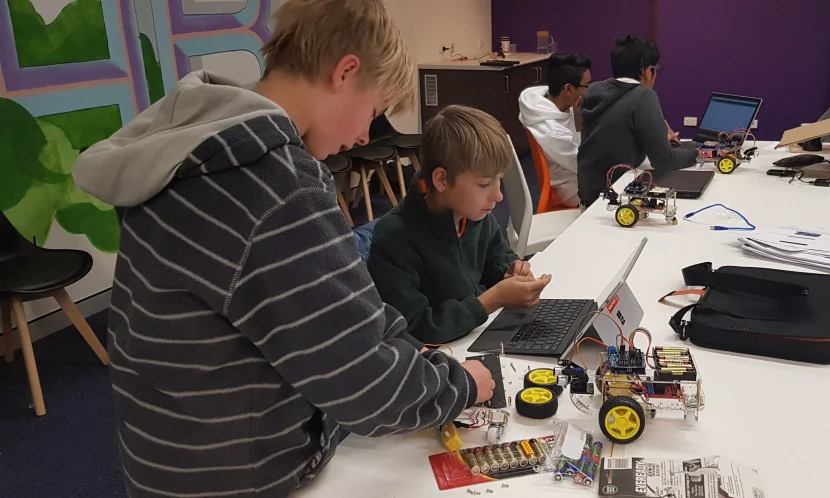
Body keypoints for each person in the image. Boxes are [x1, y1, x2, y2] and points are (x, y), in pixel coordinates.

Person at [71, 0, 494, 496]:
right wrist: (462, 385)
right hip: (239, 478)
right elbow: (365, 386)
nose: (363, 134)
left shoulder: (191, 149)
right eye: (373, 112)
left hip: (169, 459)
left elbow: (336, 312)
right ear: (346, 72)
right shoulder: (278, 187)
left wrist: (404, 348)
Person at [368, 105, 552, 344]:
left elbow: (497, 256)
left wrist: (511, 271)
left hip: (476, 337)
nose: (498, 196)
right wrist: (491, 300)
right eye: (484, 184)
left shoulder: (476, 215)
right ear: (442, 179)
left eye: (499, 180)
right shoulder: (394, 237)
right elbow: (412, 328)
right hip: (438, 361)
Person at [576, 35, 698, 207]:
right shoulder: (643, 96)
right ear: (647, 71)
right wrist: (698, 153)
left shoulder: (595, 89)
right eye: (656, 69)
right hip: (616, 199)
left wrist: (658, 138)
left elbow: (614, 135)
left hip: (589, 194)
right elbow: (664, 161)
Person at [518, 52, 592, 207]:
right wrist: (579, 124)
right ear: (568, 89)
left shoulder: (557, 103)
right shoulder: (551, 132)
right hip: (573, 190)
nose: (590, 91)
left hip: (575, 174)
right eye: (587, 86)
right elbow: (585, 166)